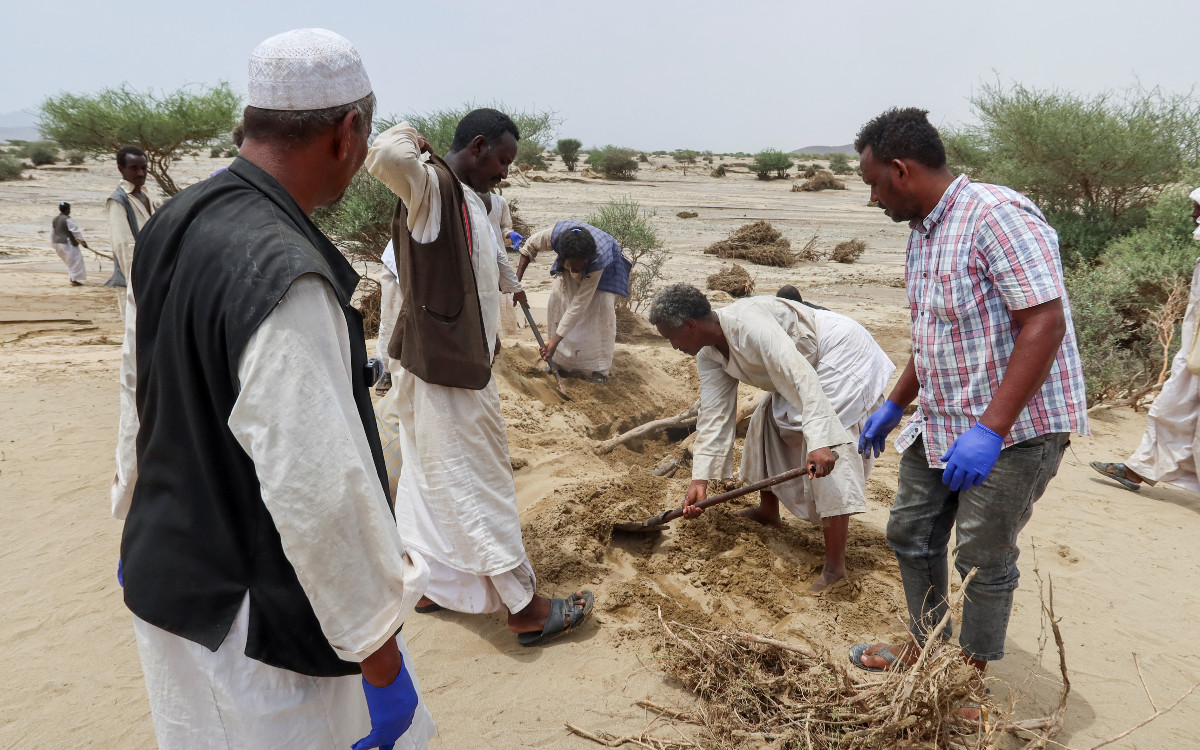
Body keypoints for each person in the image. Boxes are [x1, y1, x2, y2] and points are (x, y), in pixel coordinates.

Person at [112, 28, 434, 749]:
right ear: (349, 133)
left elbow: (139, 388)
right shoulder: (285, 275)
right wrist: (379, 658)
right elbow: (317, 487)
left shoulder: (174, 220)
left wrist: (132, 506)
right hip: (253, 635)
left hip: (166, 580)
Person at [847, 108, 1088, 692]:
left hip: (1016, 427)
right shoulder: (923, 232)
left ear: (901, 171)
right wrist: (895, 402)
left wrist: (991, 430)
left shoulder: (996, 217)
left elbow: (1045, 323)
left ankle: (965, 677)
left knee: (981, 556)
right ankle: (926, 644)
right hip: (943, 415)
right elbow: (935, 334)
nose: (872, 199)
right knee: (910, 532)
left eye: (873, 184)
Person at [366, 109, 595, 646]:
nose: (505, 172)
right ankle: (524, 608)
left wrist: (511, 289)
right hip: (448, 372)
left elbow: (490, 263)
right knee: (481, 481)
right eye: (502, 160)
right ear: (476, 145)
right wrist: (412, 137)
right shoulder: (432, 187)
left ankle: (433, 583)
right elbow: (383, 155)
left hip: (447, 363)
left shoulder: (469, 198)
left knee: (428, 478)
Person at [648, 284, 894, 590]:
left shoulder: (749, 325)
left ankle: (834, 568)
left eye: (671, 337)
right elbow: (714, 414)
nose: (672, 346)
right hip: (803, 364)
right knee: (766, 418)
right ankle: (768, 511)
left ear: (690, 325)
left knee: (830, 436)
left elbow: (801, 377)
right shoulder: (708, 355)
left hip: (841, 353)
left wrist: (819, 443)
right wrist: (701, 480)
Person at [1091, 186, 1200, 493]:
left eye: (1198, 208)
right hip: (1193, 355)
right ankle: (1138, 469)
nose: (1193, 215)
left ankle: (1138, 469)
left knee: (1172, 411)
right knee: (1169, 410)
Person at [516, 221, 631, 382]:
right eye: (573, 264)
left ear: (588, 259)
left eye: (580, 264)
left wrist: (554, 341)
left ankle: (600, 369)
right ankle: (559, 363)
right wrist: (516, 283)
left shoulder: (599, 258)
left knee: (601, 310)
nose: (576, 269)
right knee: (558, 301)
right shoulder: (554, 236)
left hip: (606, 272)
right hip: (571, 261)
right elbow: (529, 247)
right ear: (563, 256)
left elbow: (579, 305)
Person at [105, 145, 155, 318]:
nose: (141, 173)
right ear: (121, 169)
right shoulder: (118, 201)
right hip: (133, 281)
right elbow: (124, 246)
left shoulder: (145, 195)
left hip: (152, 275)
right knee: (135, 335)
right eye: (134, 168)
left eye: (143, 168)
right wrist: (135, 285)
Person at [50, 201, 88, 285]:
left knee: (69, 262)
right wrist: (83, 242)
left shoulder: (55, 219)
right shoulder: (68, 219)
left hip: (57, 243)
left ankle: (73, 278)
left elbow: (52, 233)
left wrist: (53, 244)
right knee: (75, 260)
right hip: (66, 243)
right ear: (67, 210)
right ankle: (73, 280)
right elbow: (76, 232)